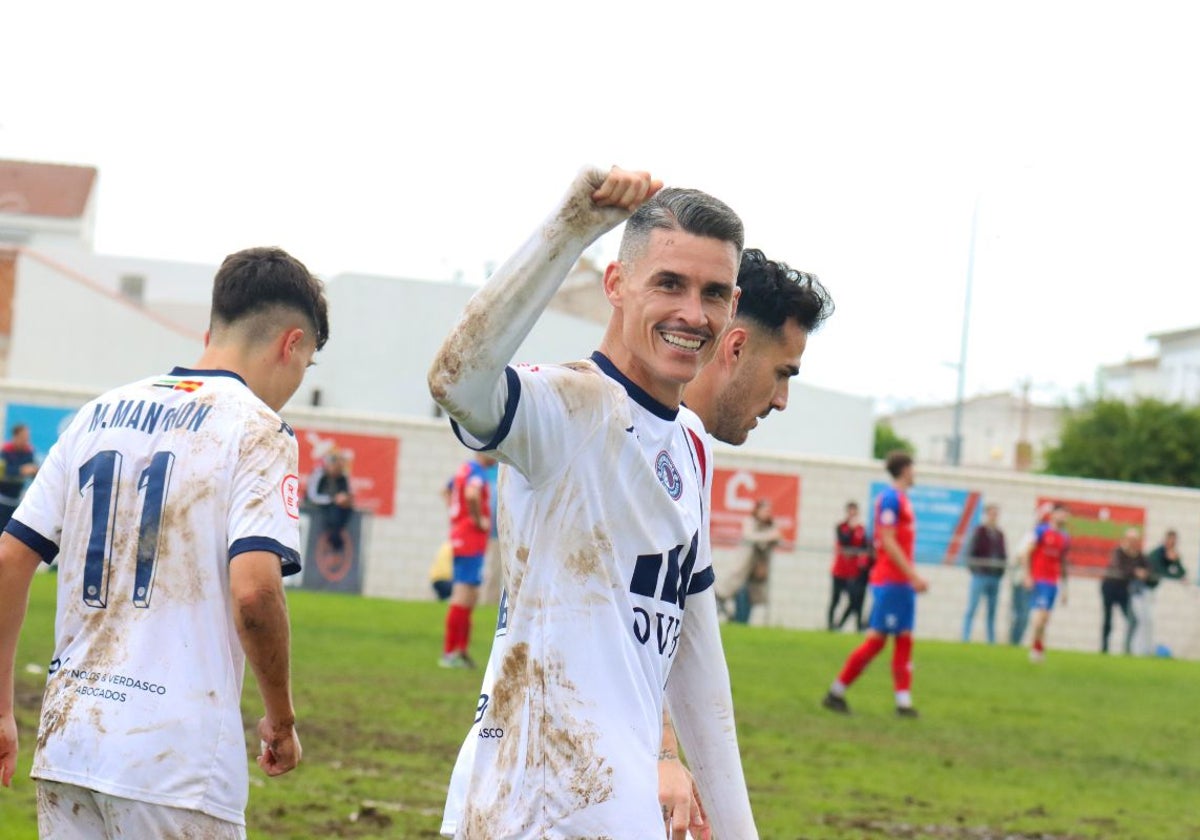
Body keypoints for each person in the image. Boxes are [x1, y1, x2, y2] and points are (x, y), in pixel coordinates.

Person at [429, 166, 758, 838]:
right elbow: (456, 383)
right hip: (534, 802)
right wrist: (572, 226)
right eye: (669, 283)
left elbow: (692, 657)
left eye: (714, 293)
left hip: (619, 801)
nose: (693, 313)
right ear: (616, 284)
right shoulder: (569, 405)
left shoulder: (692, 444)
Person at [0, 246, 327, 837]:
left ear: (211, 330)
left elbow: (8, 561)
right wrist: (280, 717)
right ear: (292, 344)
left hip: (70, 742)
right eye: (308, 364)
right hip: (174, 760)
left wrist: (1, 705)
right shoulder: (258, 429)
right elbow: (255, 594)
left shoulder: (98, 413)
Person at [823, 451, 927, 717]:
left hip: (900, 582)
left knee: (903, 639)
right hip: (892, 580)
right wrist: (913, 576)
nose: (915, 472)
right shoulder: (891, 499)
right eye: (912, 467)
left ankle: (903, 703)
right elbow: (888, 541)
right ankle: (836, 692)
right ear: (904, 470)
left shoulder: (901, 499)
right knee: (877, 640)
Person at [440, 453, 495, 668]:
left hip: (463, 535)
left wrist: (457, 517)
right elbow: (472, 495)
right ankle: (451, 652)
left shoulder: (464, 468)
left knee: (470, 594)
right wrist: (474, 519)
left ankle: (461, 650)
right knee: (463, 594)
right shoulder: (476, 473)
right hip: (470, 538)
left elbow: (446, 491)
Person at [1022, 502, 1071, 663]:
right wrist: (1027, 575)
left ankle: (1038, 647)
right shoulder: (1041, 531)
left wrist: (1065, 588)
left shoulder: (1064, 537)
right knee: (1040, 615)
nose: (1063, 517)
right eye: (1061, 513)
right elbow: (1026, 554)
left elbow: (1063, 563)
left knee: (1045, 618)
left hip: (1053, 582)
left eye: (1066, 514)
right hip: (1039, 579)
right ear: (1053, 514)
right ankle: (1035, 648)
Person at [718, 499, 780, 624]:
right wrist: (770, 536)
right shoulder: (750, 522)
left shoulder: (770, 526)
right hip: (742, 568)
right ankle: (735, 620)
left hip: (755, 573)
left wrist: (772, 536)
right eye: (765, 510)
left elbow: (773, 541)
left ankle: (740, 622)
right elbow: (750, 536)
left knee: (749, 599)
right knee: (727, 594)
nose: (767, 513)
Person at [961, 503, 1007, 643]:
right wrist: (976, 569)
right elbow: (970, 552)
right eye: (991, 513)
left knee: (992, 610)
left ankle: (991, 640)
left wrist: (1000, 571)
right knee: (972, 607)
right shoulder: (979, 531)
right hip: (980, 575)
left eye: (996, 514)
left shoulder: (999, 534)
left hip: (995, 577)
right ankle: (966, 637)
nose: (994, 517)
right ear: (986, 515)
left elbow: (1003, 555)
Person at [1139, 529, 1186, 655]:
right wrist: (1174, 570)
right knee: (1143, 621)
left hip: (1153, 591)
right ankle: (1142, 650)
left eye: (1174, 541)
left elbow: (1182, 573)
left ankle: (1147, 650)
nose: (1172, 543)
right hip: (1142, 590)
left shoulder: (1171, 554)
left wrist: (1175, 560)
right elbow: (1162, 573)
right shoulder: (1156, 554)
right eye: (1170, 540)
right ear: (1165, 540)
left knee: (1149, 621)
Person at [1100, 528, 1146, 654]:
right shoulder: (1118, 552)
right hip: (1110, 587)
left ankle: (1127, 648)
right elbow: (1120, 568)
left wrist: (1144, 572)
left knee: (1133, 620)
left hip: (1123, 590)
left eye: (1135, 540)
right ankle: (1104, 648)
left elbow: (1148, 567)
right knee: (1108, 619)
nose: (1133, 543)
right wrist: (1136, 572)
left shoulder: (1138, 555)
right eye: (1131, 540)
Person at [828, 501, 868, 630]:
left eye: (854, 512)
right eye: (850, 511)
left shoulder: (861, 529)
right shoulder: (841, 527)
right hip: (839, 571)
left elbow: (864, 547)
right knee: (835, 599)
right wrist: (851, 529)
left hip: (853, 572)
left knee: (855, 600)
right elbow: (844, 542)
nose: (852, 514)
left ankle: (840, 625)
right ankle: (829, 625)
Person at [306, 449, 354, 551]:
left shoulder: (342, 477)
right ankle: (333, 538)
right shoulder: (319, 474)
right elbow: (312, 496)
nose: (338, 469)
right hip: (316, 506)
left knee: (345, 509)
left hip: (334, 506)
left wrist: (344, 499)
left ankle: (336, 536)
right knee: (333, 512)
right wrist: (332, 499)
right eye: (335, 465)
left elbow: (347, 493)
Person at [0, 424, 39, 531]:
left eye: (27, 437)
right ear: (15, 436)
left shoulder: (29, 452)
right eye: (23, 437)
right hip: (2, 501)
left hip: (17, 502)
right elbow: (2, 472)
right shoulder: (5, 451)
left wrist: (35, 471)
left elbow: (33, 474)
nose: (26, 439)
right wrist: (20, 470)